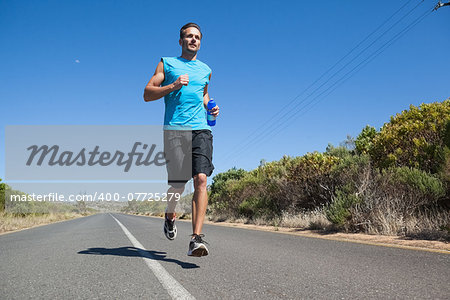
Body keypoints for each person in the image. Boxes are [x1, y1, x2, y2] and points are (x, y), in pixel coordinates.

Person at [143, 23, 219, 257]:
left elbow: (203, 94)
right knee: (178, 185)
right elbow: (147, 94)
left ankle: (196, 239)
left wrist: (211, 107)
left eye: (197, 37)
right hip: (175, 130)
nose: (193, 40)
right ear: (181, 41)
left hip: (201, 129)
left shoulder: (205, 69)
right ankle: (170, 214)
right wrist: (173, 85)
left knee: (201, 179)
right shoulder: (167, 63)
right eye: (189, 36)